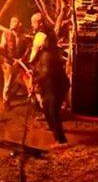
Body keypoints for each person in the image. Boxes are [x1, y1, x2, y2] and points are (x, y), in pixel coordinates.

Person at [28, 12, 69, 144]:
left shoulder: (41, 36)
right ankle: (55, 133)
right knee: (47, 106)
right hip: (55, 81)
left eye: (33, 22)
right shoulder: (49, 36)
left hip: (52, 82)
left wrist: (34, 78)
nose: (31, 25)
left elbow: (33, 57)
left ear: (39, 23)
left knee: (51, 109)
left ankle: (61, 140)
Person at [0, 16, 30, 109]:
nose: (13, 24)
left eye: (15, 22)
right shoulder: (6, 33)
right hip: (10, 62)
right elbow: (2, 45)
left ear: (20, 25)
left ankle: (33, 101)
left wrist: (22, 58)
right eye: (12, 22)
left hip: (21, 62)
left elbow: (28, 47)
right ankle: (6, 101)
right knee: (8, 83)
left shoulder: (24, 34)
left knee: (26, 80)